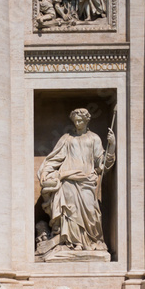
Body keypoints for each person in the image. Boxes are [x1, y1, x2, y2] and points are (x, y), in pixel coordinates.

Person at [37, 107, 115, 253]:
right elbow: (54, 158)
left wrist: (112, 146)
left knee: (90, 212)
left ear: (86, 120)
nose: (77, 123)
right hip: (68, 180)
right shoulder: (67, 139)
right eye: (75, 121)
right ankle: (72, 243)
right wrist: (46, 171)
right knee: (69, 212)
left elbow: (102, 164)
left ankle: (90, 241)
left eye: (80, 120)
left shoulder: (94, 138)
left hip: (87, 180)